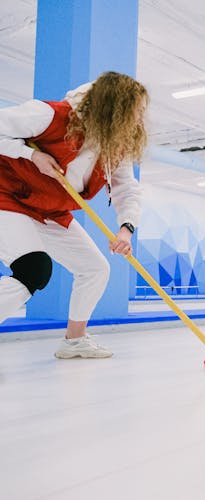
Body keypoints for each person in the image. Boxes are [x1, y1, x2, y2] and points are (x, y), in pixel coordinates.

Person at [0, 71, 148, 358]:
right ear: (114, 107)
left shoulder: (113, 146)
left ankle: (74, 341)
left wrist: (125, 229)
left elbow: (126, 189)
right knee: (34, 269)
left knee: (96, 268)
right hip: (8, 196)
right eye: (136, 111)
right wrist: (31, 155)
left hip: (51, 211)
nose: (140, 120)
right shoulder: (49, 115)